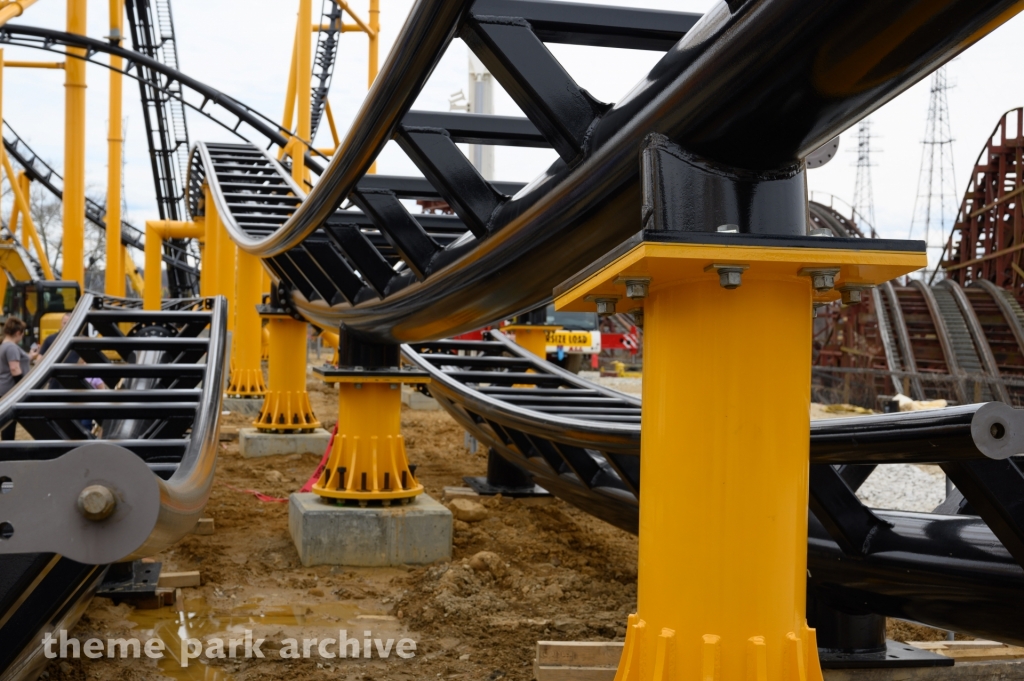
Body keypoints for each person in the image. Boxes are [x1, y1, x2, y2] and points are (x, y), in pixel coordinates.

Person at [0, 317, 38, 440]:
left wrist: (29, 357)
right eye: (22, 333)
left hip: (4, 389)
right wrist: (22, 386)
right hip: (11, 390)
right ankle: (8, 451)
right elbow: (14, 369)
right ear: (18, 332)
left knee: (8, 423)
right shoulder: (12, 347)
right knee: (10, 424)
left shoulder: (4, 346)